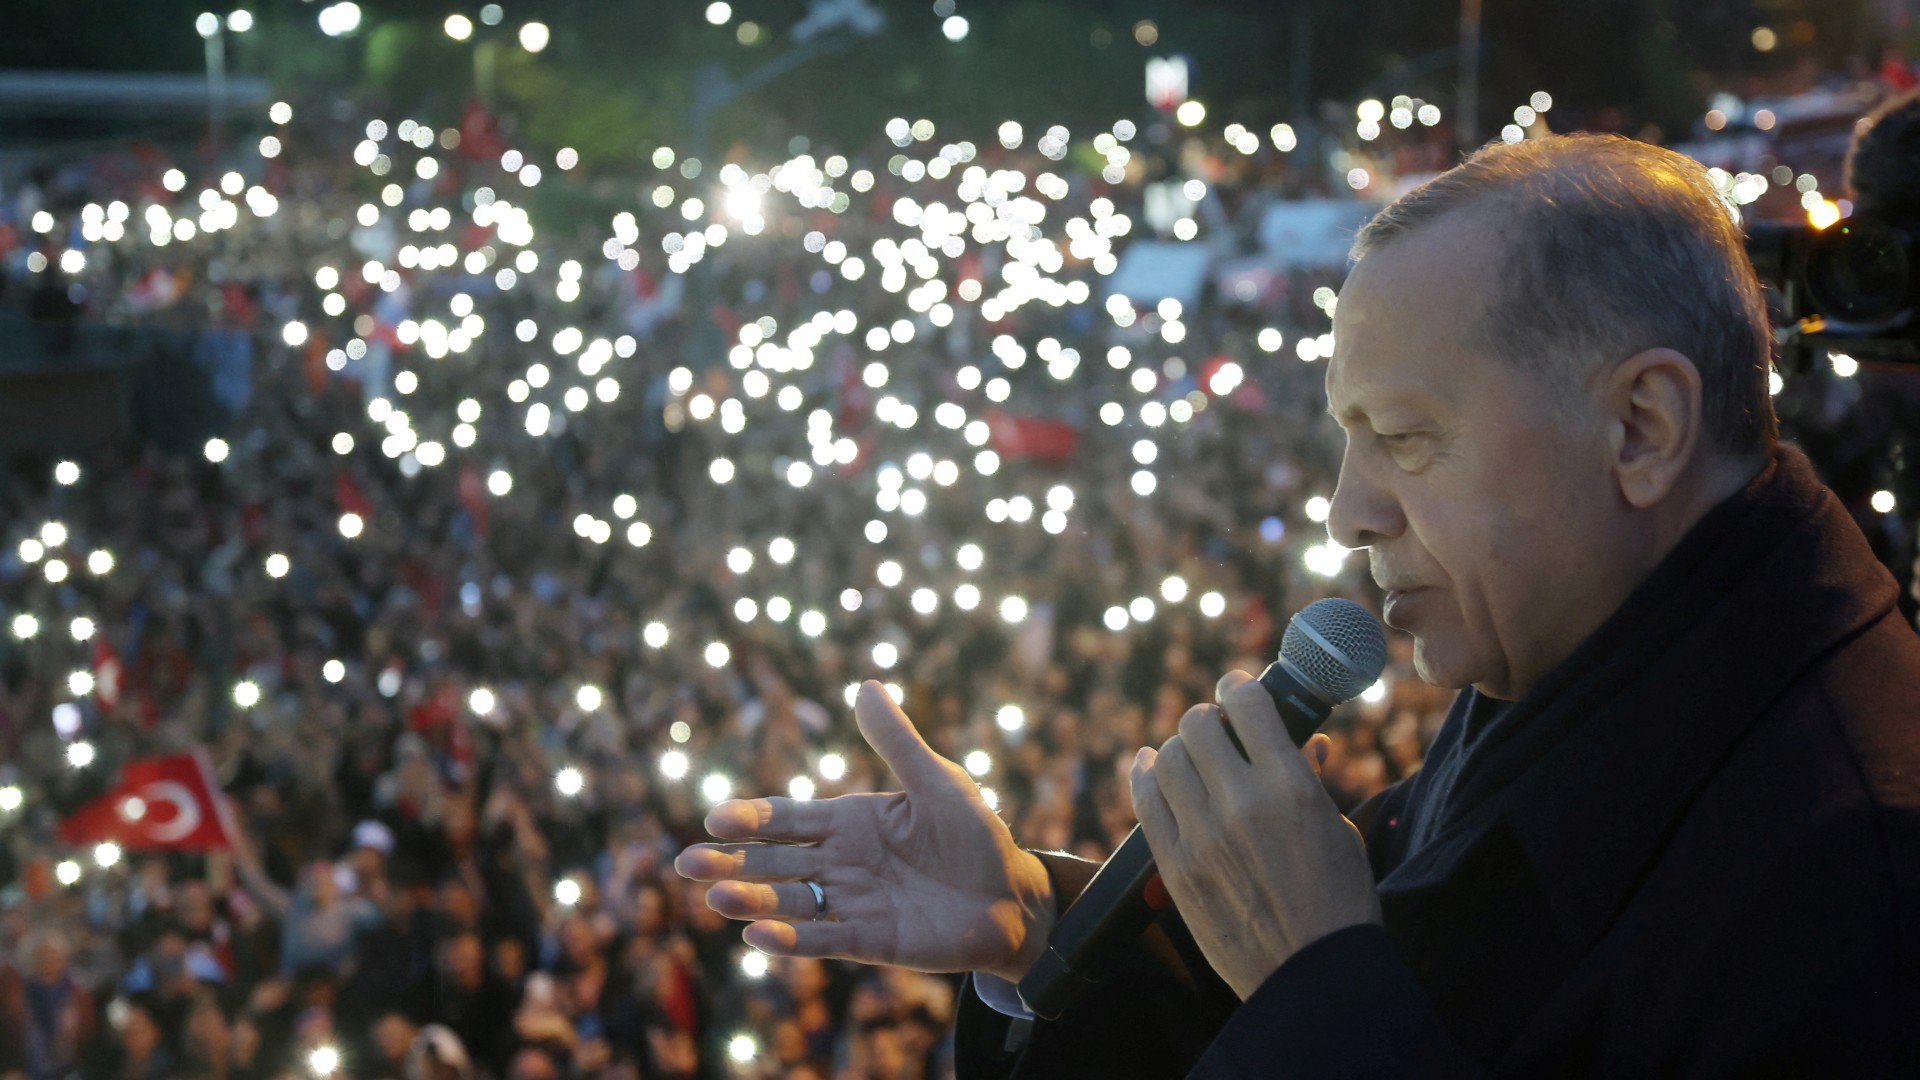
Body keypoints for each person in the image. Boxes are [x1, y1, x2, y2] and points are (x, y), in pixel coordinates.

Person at [676, 132, 1920, 1076]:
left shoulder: (1859, 877)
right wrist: (1043, 930)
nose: (1346, 509)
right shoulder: (1580, 646)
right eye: (1345, 438)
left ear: (1640, 429)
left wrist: (1321, 981)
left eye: (1406, 438)